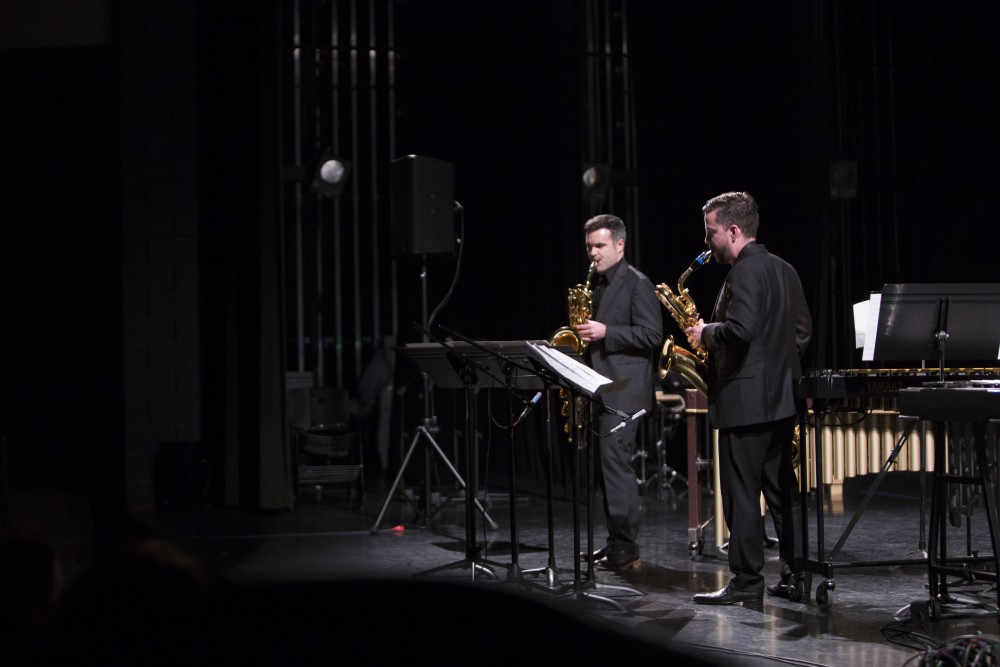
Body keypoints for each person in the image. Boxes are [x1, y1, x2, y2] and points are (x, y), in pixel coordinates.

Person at [684, 192, 812, 604]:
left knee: (742, 494)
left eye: (712, 233)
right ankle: (795, 575)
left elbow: (739, 331)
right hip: (782, 401)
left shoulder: (741, 273)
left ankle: (745, 583)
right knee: (782, 494)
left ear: (735, 231)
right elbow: (802, 333)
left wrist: (705, 333)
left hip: (744, 404)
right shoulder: (787, 270)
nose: (708, 242)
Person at [574, 214, 663, 570]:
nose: (593, 254)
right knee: (603, 468)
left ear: (620, 245)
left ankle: (626, 545)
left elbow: (652, 335)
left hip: (625, 391)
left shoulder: (637, 283)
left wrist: (606, 331)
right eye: (589, 247)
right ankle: (614, 542)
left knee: (616, 466)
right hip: (599, 386)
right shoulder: (595, 282)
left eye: (599, 246)